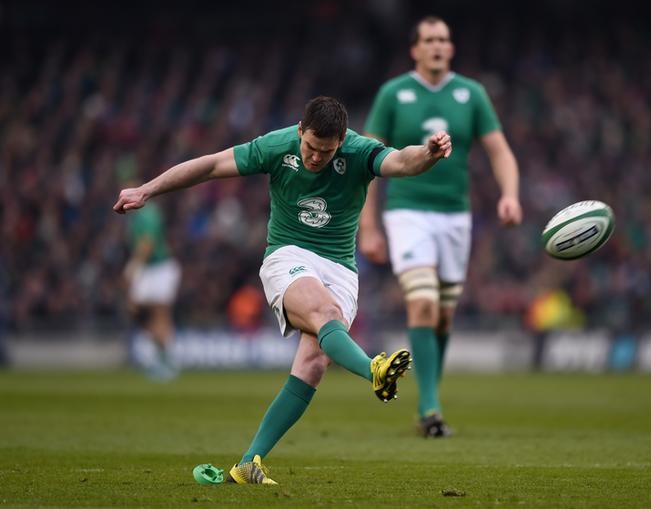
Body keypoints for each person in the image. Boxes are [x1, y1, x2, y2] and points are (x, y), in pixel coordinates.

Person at [113, 96, 452, 484]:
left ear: (341, 142)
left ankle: (246, 463)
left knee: (312, 365)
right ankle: (373, 369)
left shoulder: (359, 151)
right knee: (325, 315)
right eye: (309, 146)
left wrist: (429, 153)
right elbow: (209, 166)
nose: (314, 157)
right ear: (299, 130)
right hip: (288, 255)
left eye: (325, 151)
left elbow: (403, 162)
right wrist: (147, 190)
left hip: (341, 269)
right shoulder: (276, 146)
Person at [359, 16, 522, 438]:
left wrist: (510, 194)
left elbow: (500, 151)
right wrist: (369, 226)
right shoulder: (393, 93)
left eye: (444, 40)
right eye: (429, 39)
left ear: (451, 48)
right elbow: (364, 159)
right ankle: (430, 409)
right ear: (414, 49)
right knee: (424, 305)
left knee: (444, 318)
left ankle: (428, 396)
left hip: (455, 216)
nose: (437, 46)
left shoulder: (472, 94)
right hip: (407, 211)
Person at [122, 175, 181, 381]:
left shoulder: (147, 214)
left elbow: (147, 244)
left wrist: (133, 268)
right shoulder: (140, 215)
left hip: (159, 268)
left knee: (159, 314)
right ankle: (162, 356)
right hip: (151, 269)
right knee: (141, 311)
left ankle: (165, 360)